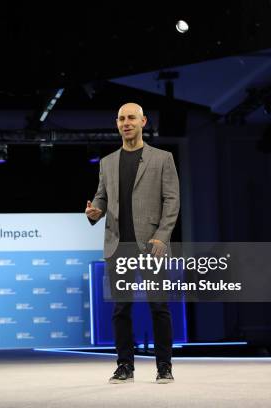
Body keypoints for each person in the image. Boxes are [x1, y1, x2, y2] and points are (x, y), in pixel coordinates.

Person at [85, 102, 180, 384]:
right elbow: (101, 196)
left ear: (143, 122)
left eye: (131, 118)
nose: (126, 123)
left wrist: (162, 236)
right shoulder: (107, 162)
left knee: (159, 308)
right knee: (121, 309)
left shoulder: (163, 158)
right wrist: (95, 211)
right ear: (117, 124)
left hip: (152, 246)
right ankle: (124, 365)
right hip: (118, 247)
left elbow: (172, 200)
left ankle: (164, 366)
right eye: (121, 119)